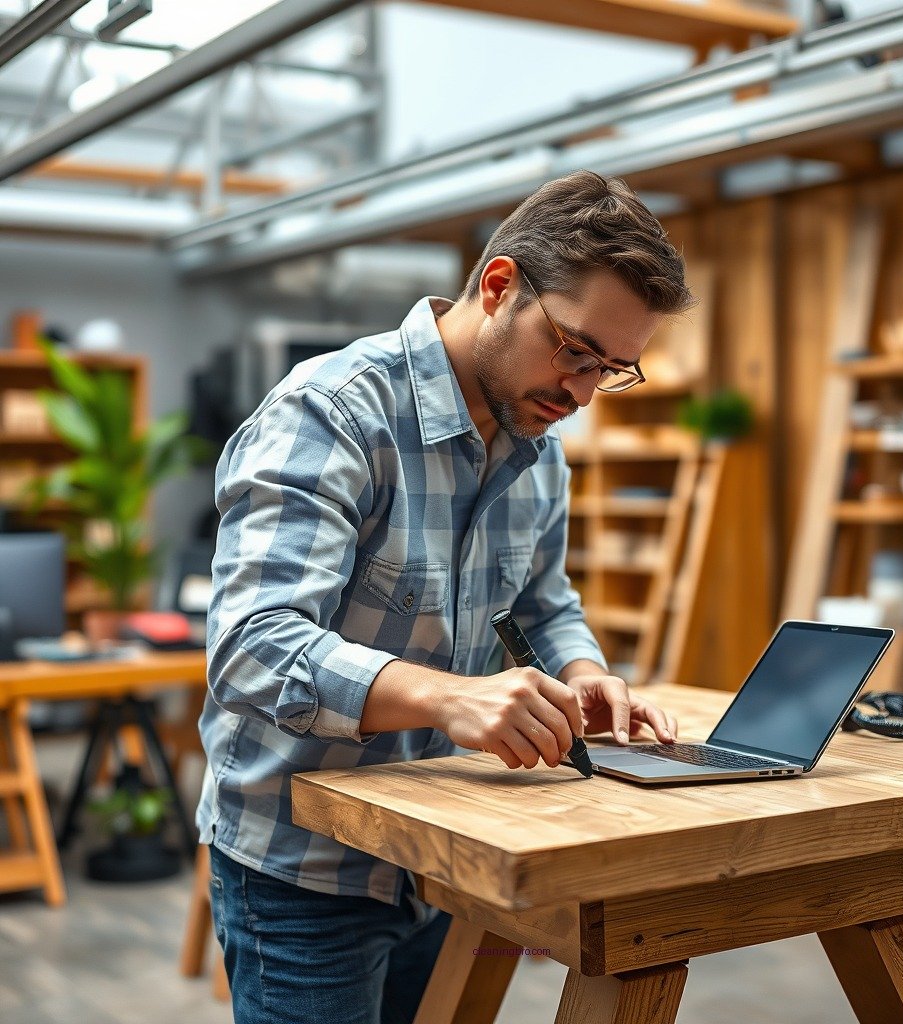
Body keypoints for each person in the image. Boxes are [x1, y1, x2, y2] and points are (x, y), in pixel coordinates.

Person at [199, 169, 694, 1024]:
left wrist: (583, 671)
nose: (580, 392)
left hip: (444, 859)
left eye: (611, 369)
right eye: (574, 350)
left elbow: (542, 600)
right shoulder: (333, 415)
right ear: (500, 286)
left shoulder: (539, 447)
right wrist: (453, 697)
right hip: (305, 872)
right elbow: (253, 647)